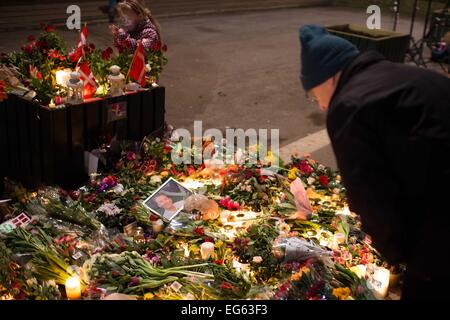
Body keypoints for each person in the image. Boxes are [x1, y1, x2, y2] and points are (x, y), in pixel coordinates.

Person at [299, 24, 450, 300]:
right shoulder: (403, 75)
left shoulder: (349, 104)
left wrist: (397, 253)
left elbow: (371, 194)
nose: (320, 105)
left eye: (313, 94)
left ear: (329, 78)